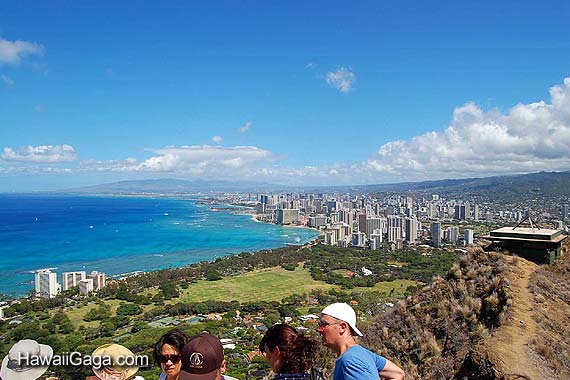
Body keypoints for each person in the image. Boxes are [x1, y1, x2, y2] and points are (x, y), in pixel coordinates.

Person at [318, 303, 405, 380]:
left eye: (323, 324)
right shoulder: (363, 354)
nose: (319, 330)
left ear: (342, 327)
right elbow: (397, 374)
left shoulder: (350, 361)